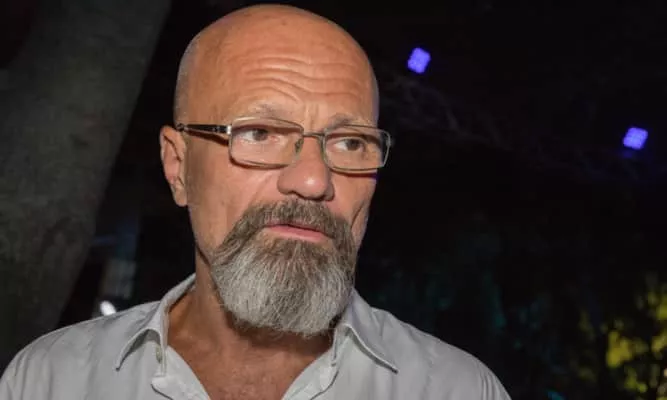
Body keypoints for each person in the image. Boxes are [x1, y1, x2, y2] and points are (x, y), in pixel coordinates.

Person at [0, 4, 511, 399]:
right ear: (178, 167)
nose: (313, 179)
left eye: (351, 143)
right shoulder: (50, 380)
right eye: (260, 133)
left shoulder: (457, 390)